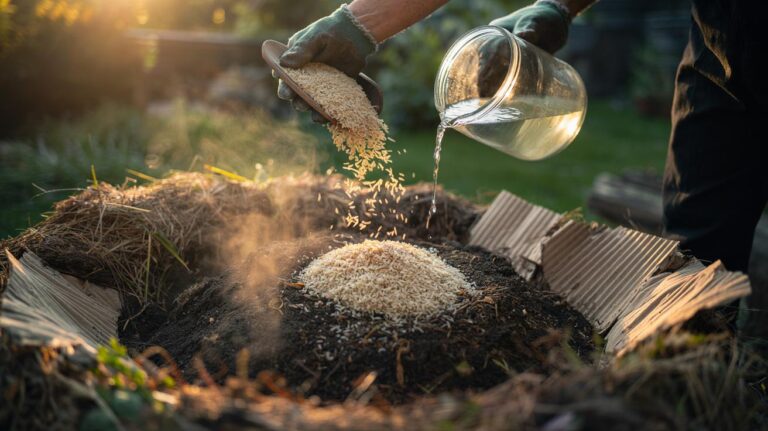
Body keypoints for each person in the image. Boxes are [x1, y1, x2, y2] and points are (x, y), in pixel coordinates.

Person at [276, 0, 767, 337]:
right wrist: (559, 5)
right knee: (700, 257)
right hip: (719, 60)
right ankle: (692, 387)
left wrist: (359, 21)